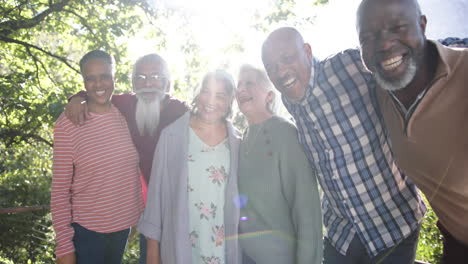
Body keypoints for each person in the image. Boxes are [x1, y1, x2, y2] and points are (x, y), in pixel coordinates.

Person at [261, 27, 426, 264]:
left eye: (287, 59)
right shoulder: (289, 102)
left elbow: (407, 59)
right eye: (272, 67)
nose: (281, 71)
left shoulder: (348, 66)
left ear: (307, 51)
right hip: (344, 234)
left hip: (394, 223)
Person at [356, 0, 468, 262]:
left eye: (397, 27)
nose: (383, 44)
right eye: (368, 36)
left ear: (422, 25)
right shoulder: (383, 91)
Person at [65, 53, 188, 263]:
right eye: (140, 77)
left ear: (168, 84)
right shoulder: (125, 104)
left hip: (179, 208)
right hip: (146, 211)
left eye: (155, 76)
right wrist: (77, 98)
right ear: (133, 84)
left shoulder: (181, 111)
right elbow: (97, 93)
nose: (147, 83)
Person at [138, 70, 241, 264]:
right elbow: (155, 199)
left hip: (222, 252)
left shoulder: (237, 142)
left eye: (220, 95)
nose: (211, 100)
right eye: (206, 91)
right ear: (198, 93)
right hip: (180, 247)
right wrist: (152, 251)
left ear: (229, 101)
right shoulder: (172, 136)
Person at [51, 50, 143, 264]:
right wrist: (64, 244)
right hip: (86, 232)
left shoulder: (128, 115)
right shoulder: (68, 123)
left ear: (115, 77)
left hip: (122, 228)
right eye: (90, 78)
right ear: (83, 81)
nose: (98, 83)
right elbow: (60, 189)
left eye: (105, 76)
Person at [235, 64, 322, 264]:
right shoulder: (242, 138)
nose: (241, 89)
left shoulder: (285, 133)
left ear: (269, 95)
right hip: (244, 256)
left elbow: (307, 211)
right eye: (238, 85)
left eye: (250, 83)